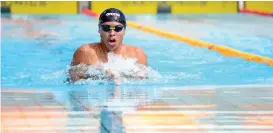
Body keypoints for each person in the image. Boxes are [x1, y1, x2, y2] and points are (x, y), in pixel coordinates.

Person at [68, 8, 147, 83]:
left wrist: (121, 78)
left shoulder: (137, 54)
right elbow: (72, 82)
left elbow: (142, 86)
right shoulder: (85, 53)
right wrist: (100, 76)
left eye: (118, 28)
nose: (112, 33)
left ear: (124, 31)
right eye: (106, 28)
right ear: (99, 30)